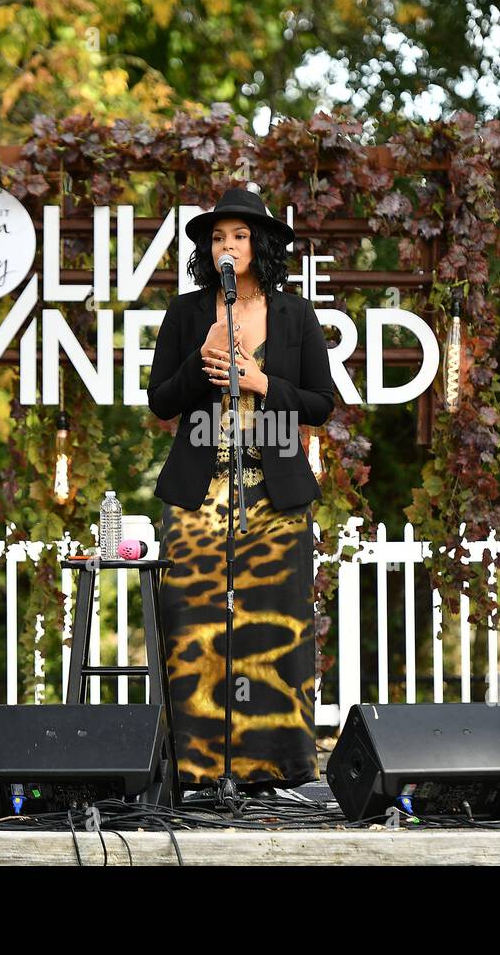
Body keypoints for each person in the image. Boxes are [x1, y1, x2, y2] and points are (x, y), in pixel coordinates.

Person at [148, 187, 334, 793]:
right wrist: (195, 368)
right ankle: (198, 765)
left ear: (261, 245)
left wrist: (261, 380)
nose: (227, 246)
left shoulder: (295, 314)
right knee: (193, 626)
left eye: (240, 235)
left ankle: (276, 766)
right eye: (218, 237)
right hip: (200, 494)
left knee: (275, 627)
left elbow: (320, 403)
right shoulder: (186, 311)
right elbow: (160, 402)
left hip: (274, 495)